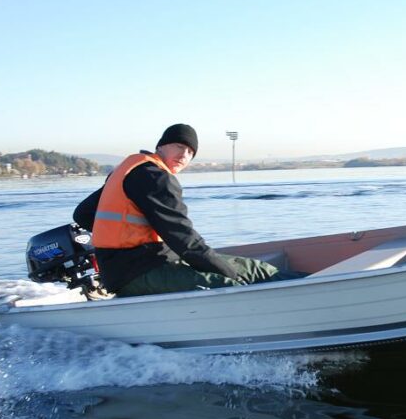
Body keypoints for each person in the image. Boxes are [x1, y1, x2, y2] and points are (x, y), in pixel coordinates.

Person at [74, 123, 279, 297]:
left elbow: (82, 215)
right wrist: (229, 273)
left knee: (256, 269)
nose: (184, 155)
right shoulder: (156, 178)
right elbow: (184, 240)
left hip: (135, 266)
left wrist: (126, 233)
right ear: (161, 146)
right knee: (233, 286)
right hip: (136, 272)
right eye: (179, 146)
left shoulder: (128, 170)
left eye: (190, 152)